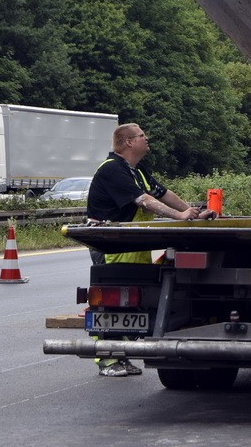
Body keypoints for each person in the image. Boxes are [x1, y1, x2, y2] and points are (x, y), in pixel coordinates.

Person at [85, 122, 217, 377]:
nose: (147, 139)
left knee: (133, 304)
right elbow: (145, 201)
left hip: (131, 243)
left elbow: (163, 193)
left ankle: (121, 356)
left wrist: (193, 212)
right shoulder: (113, 169)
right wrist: (179, 217)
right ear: (128, 142)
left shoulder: (136, 169)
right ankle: (108, 361)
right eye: (142, 136)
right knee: (114, 305)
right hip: (112, 246)